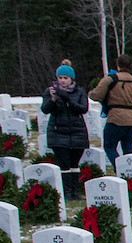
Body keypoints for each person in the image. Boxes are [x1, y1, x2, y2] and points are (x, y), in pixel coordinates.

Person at [41, 60, 90, 201]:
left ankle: (75, 192)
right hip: (58, 132)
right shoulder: (50, 91)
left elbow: (83, 109)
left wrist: (67, 98)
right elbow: (45, 109)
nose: (62, 81)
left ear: (71, 79)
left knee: (75, 164)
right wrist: (53, 99)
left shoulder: (79, 91)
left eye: (65, 78)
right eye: (60, 78)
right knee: (64, 164)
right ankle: (66, 193)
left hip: (77, 131)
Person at [89, 53, 132, 167]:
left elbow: (96, 95)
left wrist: (90, 93)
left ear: (117, 65)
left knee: (109, 146)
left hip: (116, 118)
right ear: (130, 66)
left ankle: (120, 169)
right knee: (128, 151)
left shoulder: (111, 79)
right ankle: (131, 173)